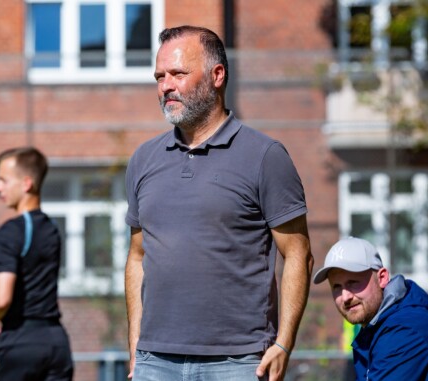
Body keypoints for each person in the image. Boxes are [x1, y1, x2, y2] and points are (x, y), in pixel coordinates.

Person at [125, 25, 314, 381]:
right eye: (159, 76)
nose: (166, 86)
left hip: (239, 362)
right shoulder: (144, 159)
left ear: (217, 75)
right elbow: (137, 256)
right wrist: (135, 341)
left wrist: (284, 343)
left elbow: (298, 255)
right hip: (155, 360)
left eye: (178, 74)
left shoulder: (265, 156)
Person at [313, 237, 428, 380]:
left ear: (382, 278)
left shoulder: (404, 330)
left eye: (353, 283)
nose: (345, 297)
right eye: (336, 287)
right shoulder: (378, 328)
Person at [0, 147, 73, 381]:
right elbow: (31, 275)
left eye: (3, 180)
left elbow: (1, 300)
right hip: (56, 344)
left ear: (26, 183)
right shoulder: (51, 229)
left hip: (21, 344)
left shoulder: (11, 230)